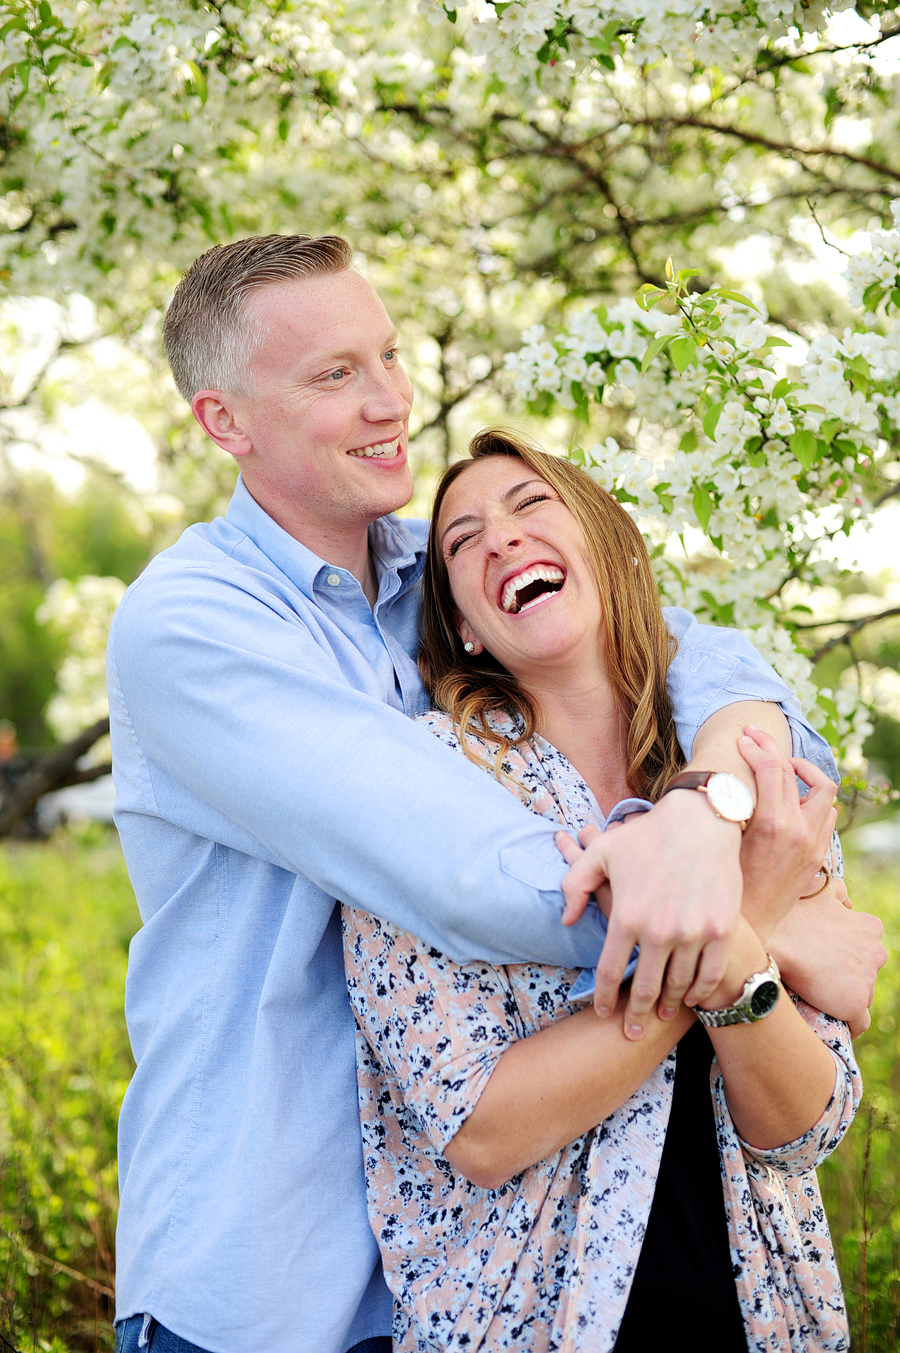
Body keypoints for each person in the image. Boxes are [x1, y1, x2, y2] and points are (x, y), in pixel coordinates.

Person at [107, 234, 884, 1353]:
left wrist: (706, 806)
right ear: (225, 422)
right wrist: (761, 920)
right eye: (333, 375)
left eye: (387, 355)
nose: (391, 401)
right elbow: (468, 872)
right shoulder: (193, 626)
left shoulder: (445, 568)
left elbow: (705, 657)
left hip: (468, 1273)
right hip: (270, 1275)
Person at [343, 429, 865, 1351]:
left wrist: (727, 920)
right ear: (464, 622)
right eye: (461, 541)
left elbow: (805, 1126)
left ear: (609, 545)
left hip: (761, 1314)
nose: (500, 538)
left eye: (531, 505)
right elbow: (484, 1127)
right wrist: (741, 931)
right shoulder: (424, 784)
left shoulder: (746, 773)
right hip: (532, 1318)